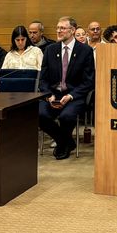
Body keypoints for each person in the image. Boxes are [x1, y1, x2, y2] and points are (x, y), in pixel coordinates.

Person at [39, 16, 95, 160]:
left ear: (72, 30)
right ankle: (66, 141)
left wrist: (71, 96)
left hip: (74, 96)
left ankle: (62, 145)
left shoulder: (85, 51)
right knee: (39, 114)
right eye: (57, 28)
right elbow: (43, 79)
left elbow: (88, 81)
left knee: (66, 116)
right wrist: (48, 95)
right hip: (52, 94)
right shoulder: (50, 50)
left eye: (62, 28)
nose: (59, 31)